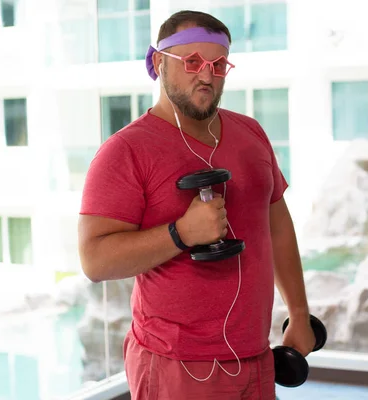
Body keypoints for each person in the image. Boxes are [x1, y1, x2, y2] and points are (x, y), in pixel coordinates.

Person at [78, 10, 315, 400]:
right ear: (157, 62)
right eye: (191, 63)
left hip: (254, 358)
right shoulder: (125, 151)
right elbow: (95, 260)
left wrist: (300, 312)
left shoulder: (251, 132)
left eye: (218, 64)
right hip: (176, 367)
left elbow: (276, 226)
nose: (206, 76)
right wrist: (180, 233)